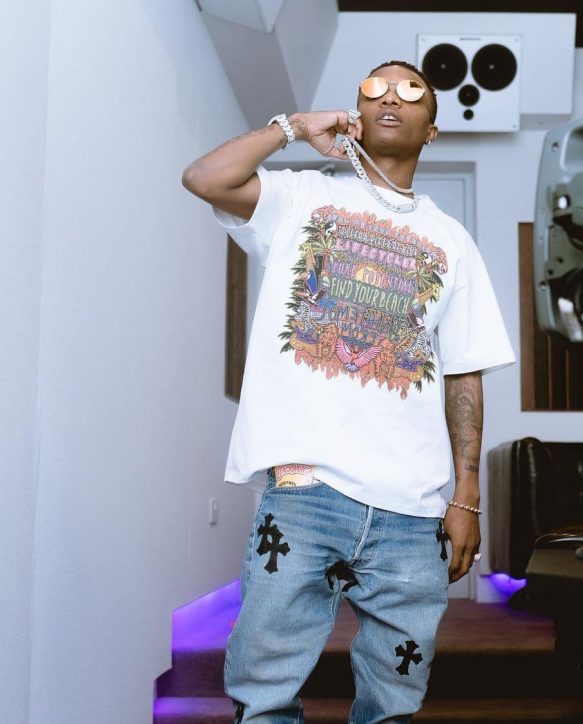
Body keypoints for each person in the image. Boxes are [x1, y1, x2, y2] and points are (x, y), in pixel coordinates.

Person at [182, 60, 515, 723]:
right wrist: (293, 127)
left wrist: (466, 497)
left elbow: (464, 373)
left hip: (413, 505)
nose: (392, 97)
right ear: (355, 115)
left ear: (432, 130)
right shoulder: (299, 197)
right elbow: (205, 178)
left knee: (395, 702)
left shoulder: (452, 241)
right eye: (375, 89)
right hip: (305, 491)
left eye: (412, 92)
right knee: (264, 691)